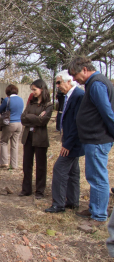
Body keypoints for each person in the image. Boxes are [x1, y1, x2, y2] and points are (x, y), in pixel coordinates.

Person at [68, 57, 114, 226]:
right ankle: (95, 208)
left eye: (75, 74)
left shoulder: (96, 84)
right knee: (93, 176)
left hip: (97, 138)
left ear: (85, 69)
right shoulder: (94, 83)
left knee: (98, 177)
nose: (74, 79)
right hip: (93, 138)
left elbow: (107, 112)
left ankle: (99, 215)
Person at [45, 70, 85, 213]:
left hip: (73, 142)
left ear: (69, 81)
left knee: (59, 169)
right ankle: (73, 201)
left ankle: (59, 203)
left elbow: (78, 122)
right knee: (73, 171)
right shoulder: (69, 96)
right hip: (70, 140)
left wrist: (68, 143)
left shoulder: (78, 96)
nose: (58, 85)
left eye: (59, 82)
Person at [19, 79, 53, 199]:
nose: (33, 92)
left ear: (42, 89)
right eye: (31, 90)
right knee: (27, 164)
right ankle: (26, 189)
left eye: (35, 89)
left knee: (41, 166)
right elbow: (23, 119)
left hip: (40, 138)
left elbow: (43, 121)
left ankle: (40, 191)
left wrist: (30, 117)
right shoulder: (30, 103)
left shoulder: (48, 105)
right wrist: (35, 117)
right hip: (28, 137)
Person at [0, 84, 24, 169]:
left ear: (7, 92)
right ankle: (14, 164)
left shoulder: (7, 99)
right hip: (19, 123)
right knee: (15, 144)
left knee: (4, 142)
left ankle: (4, 162)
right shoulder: (21, 100)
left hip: (10, 123)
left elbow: (0, 110)